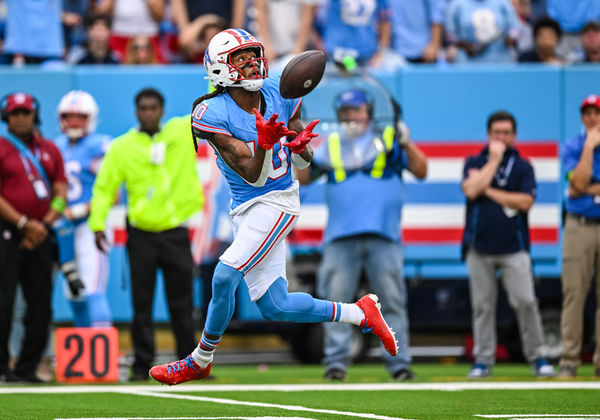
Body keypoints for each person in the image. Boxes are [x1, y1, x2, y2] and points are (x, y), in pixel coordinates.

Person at [149, 28, 399, 385]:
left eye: (254, 55)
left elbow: (303, 161)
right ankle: (359, 313)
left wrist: (299, 146)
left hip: (278, 201)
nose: (253, 63)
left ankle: (200, 359)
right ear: (221, 68)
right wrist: (265, 143)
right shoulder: (211, 113)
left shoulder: (282, 90)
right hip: (247, 203)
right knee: (275, 305)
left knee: (224, 276)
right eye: (242, 58)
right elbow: (250, 174)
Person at [296, 89, 427, 380]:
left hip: (384, 237)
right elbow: (303, 179)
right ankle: (335, 364)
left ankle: (399, 363)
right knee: (336, 302)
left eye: (355, 110)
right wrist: (298, 149)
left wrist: (408, 142)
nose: (350, 116)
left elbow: (421, 170)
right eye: (344, 112)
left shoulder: (390, 141)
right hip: (341, 238)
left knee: (392, 301)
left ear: (369, 112)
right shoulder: (330, 145)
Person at [88, 88, 204, 381]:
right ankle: (142, 365)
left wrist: (219, 72)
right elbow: (104, 187)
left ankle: (189, 363)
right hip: (141, 235)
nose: (148, 113)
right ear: (136, 111)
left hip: (176, 231)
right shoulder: (122, 147)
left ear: (162, 110)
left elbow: (210, 102)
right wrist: (97, 223)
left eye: (153, 108)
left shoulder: (180, 131)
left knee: (183, 303)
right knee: (142, 303)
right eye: (143, 108)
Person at [461, 110, 555, 378]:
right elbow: (469, 190)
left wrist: (487, 190)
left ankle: (538, 357)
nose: (501, 137)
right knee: (482, 307)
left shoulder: (524, 166)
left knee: (526, 302)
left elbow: (525, 202)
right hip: (479, 247)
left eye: (506, 133)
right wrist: (494, 161)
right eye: (496, 133)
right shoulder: (475, 160)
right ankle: (483, 360)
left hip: (515, 247)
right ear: (488, 135)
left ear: (514, 135)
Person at [0, 92, 67, 383]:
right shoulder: (1, 148)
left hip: (41, 234)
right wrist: (24, 223)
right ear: (7, 117)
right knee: (4, 303)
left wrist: (42, 224)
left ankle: (27, 367)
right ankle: (3, 366)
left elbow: (61, 192)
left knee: (41, 305)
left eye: (25, 113)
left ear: (34, 115)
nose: (20, 118)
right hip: (6, 233)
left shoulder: (50, 150)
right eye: (15, 114)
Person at [54, 90, 112, 328]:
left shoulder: (101, 145)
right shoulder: (55, 147)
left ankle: (103, 357)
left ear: (91, 119)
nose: (74, 122)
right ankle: (86, 351)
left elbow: (113, 194)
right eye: (69, 116)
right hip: (64, 229)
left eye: (80, 117)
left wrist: (77, 211)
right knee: (74, 293)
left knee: (92, 287)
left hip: (90, 225)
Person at [557, 94, 600, 379]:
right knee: (574, 295)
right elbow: (577, 186)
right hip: (579, 225)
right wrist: (589, 145)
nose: (592, 118)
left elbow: (582, 188)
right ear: (582, 118)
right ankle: (569, 361)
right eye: (587, 113)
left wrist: (586, 189)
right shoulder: (573, 146)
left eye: (596, 113)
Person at [444, 0, 521, 63]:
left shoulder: (503, 3)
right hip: (467, 63)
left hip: (500, 61)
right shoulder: (456, 4)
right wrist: (464, 45)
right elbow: (451, 35)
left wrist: (510, 39)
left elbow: (515, 29)